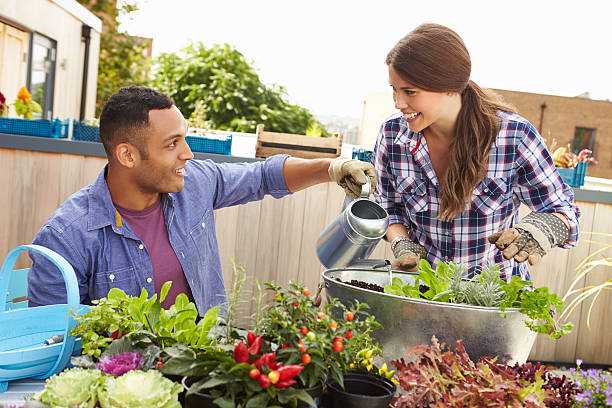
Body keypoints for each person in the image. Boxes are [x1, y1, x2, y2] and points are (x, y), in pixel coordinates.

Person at [28, 85, 375, 315]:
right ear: (127, 155)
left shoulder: (193, 185)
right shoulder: (67, 236)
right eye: (172, 143)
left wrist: (331, 167)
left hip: (208, 370)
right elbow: (49, 342)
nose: (188, 154)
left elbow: (264, 175)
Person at [372, 23, 580, 281]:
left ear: (449, 86)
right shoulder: (392, 135)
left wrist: (542, 229)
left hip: (494, 300)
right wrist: (402, 243)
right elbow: (386, 205)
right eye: (394, 89)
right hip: (422, 290)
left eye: (410, 92)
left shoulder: (513, 136)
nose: (398, 103)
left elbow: (564, 211)